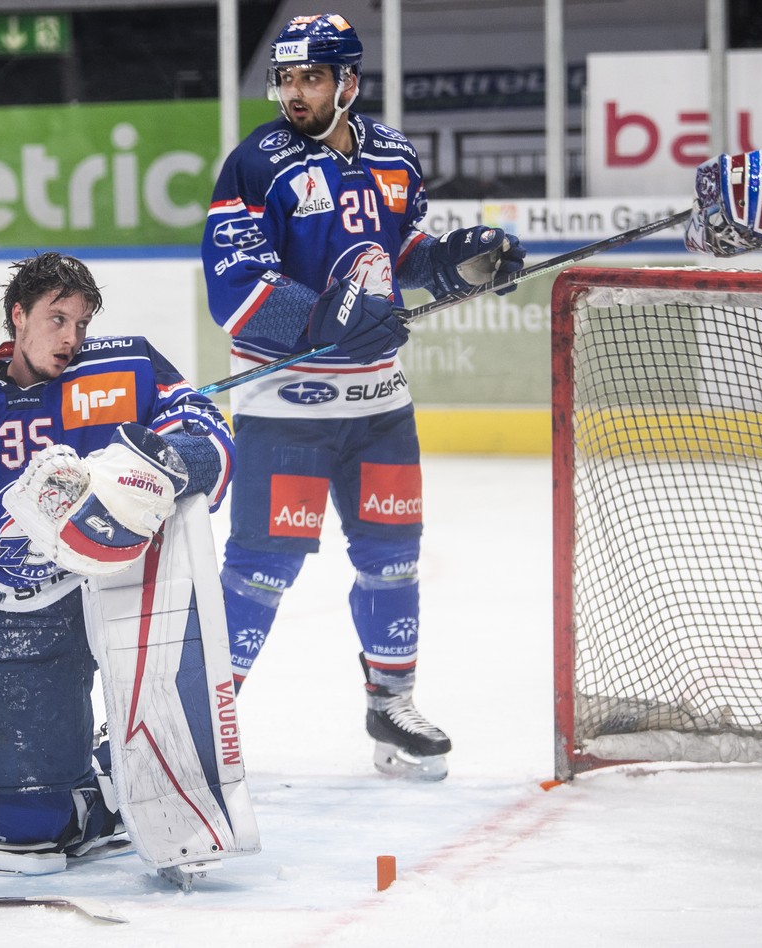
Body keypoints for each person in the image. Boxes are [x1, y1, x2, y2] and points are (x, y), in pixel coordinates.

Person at [199, 14, 526, 781]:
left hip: (381, 408)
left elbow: (401, 249)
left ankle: (391, 702)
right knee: (261, 571)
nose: (294, 93)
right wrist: (325, 321)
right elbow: (235, 289)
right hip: (288, 410)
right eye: (285, 78)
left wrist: (455, 264)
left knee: (394, 560)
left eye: (311, 78)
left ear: (348, 81)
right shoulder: (257, 164)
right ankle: (195, 717)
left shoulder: (393, 155)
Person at [0, 252, 240, 878]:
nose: (72, 337)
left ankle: (132, 774)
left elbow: (209, 437)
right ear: (18, 315)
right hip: (17, 613)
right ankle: (85, 786)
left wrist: (164, 462)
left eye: (82, 323)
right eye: (57, 318)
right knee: (27, 833)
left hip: (129, 593)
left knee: (182, 801)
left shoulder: (125, 371)